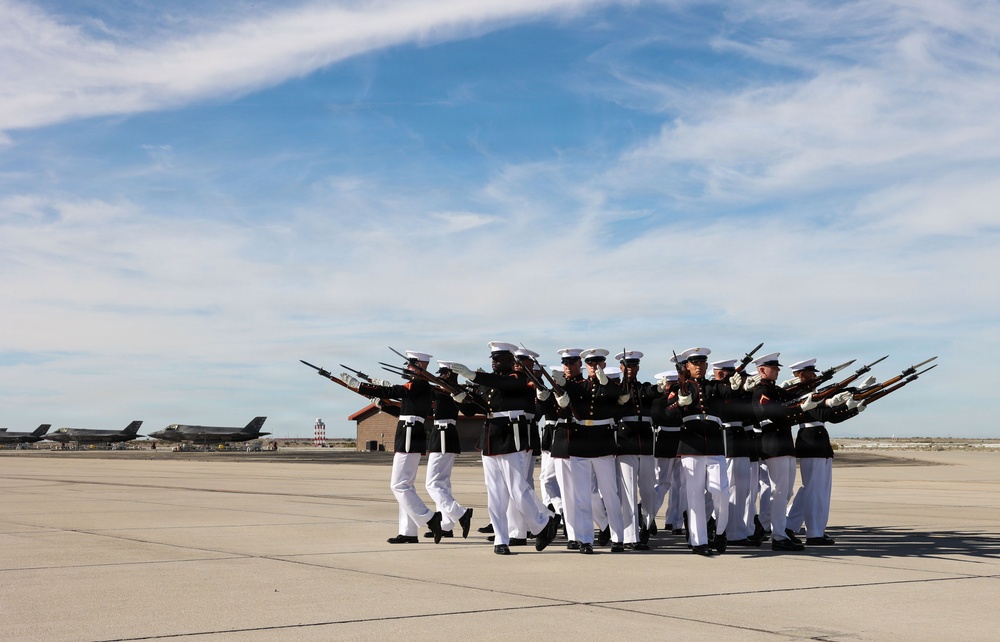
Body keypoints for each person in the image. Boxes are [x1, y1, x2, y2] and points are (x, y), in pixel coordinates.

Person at [450, 342, 560, 555]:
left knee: (518, 489)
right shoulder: (489, 382)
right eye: (493, 358)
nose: (494, 361)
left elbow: (505, 385)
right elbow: (473, 410)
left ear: (512, 361)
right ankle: (501, 539)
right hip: (491, 438)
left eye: (499, 358)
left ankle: (543, 523)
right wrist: (459, 397)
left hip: (512, 437)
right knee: (496, 494)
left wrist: (473, 376)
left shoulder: (518, 378)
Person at [747, 352, 853, 551]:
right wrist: (801, 407)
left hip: (785, 445)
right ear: (761, 370)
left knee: (786, 492)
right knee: (778, 491)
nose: (778, 370)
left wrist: (829, 401)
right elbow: (771, 413)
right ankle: (778, 535)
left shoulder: (776, 390)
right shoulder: (761, 391)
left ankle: (767, 527)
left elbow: (800, 400)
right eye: (774, 367)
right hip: (773, 445)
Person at [339, 351, 445, 544]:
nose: (407, 368)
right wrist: (381, 404)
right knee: (406, 485)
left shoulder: (418, 384)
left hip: (410, 435)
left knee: (398, 485)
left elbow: (394, 392)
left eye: (411, 364)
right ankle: (408, 532)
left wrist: (362, 386)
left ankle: (430, 518)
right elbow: (402, 409)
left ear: (420, 366)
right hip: (408, 432)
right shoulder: (418, 386)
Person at [653, 347, 735, 556]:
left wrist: (737, 381)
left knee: (721, 491)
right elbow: (666, 413)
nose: (698, 367)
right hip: (691, 443)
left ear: (706, 366)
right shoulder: (682, 387)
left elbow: (730, 393)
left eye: (702, 364)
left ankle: (720, 531)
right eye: (694, 364)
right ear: (687, 366)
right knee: (694, 494)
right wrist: (679, 403)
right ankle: (699, 542)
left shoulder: (714, 386)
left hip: (715, 442)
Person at [783, 359, 868, 545]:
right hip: (811, 442)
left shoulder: (812, 393)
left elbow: (832, 417)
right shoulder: (801, 394)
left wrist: (854, 401)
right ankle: (814, 533)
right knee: (815, 491)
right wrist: (846, 400)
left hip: (818, 442)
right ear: (802, 375)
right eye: (812, 373)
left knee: (814, 489)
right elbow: (824, 414)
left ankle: (790, 524)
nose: (815, 376)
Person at [559, 349, 627, 553]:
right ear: (584, 366)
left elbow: (620, 398)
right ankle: (585, 539)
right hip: (580, 441)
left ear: (603, 365)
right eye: (589, 364)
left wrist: (605, 383)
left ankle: (618, 538)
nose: (593, 367)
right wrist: (561, 403)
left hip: (602, 442)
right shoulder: (578, 386)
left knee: (610, 493)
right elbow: (563, 406)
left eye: (597, 363)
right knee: (581, 494)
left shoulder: (612, 386)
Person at [422, 361, 474, 540]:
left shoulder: (452, 391)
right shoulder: (448, 390)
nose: (441, 376)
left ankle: (460, 513)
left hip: (443, 435)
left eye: (443, 373)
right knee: (442, 483)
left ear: (450, 374)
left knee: (432, 483)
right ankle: (446, 524)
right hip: (443, 434)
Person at [615, 350, 660, 550]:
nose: (630, 370)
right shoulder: (615, 389)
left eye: (633, 366)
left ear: (638, 368)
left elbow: (652, 393)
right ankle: (631, 537)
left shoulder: (644, 388)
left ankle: (646, 523)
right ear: (621, 368)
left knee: (649, 491)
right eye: (627, 366)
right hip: (626, 443)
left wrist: (663, 387)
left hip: (646, 443)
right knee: (628, 492)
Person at [712, 358, 759, 547]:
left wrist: (748, 392)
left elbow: (750, 412)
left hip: (739, 439)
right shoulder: (715, 390)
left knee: (742, 490)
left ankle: (738, 530)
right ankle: (730, 532)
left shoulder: (736, 390)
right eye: (725, 372)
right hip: (727, 438)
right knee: (730, 488)